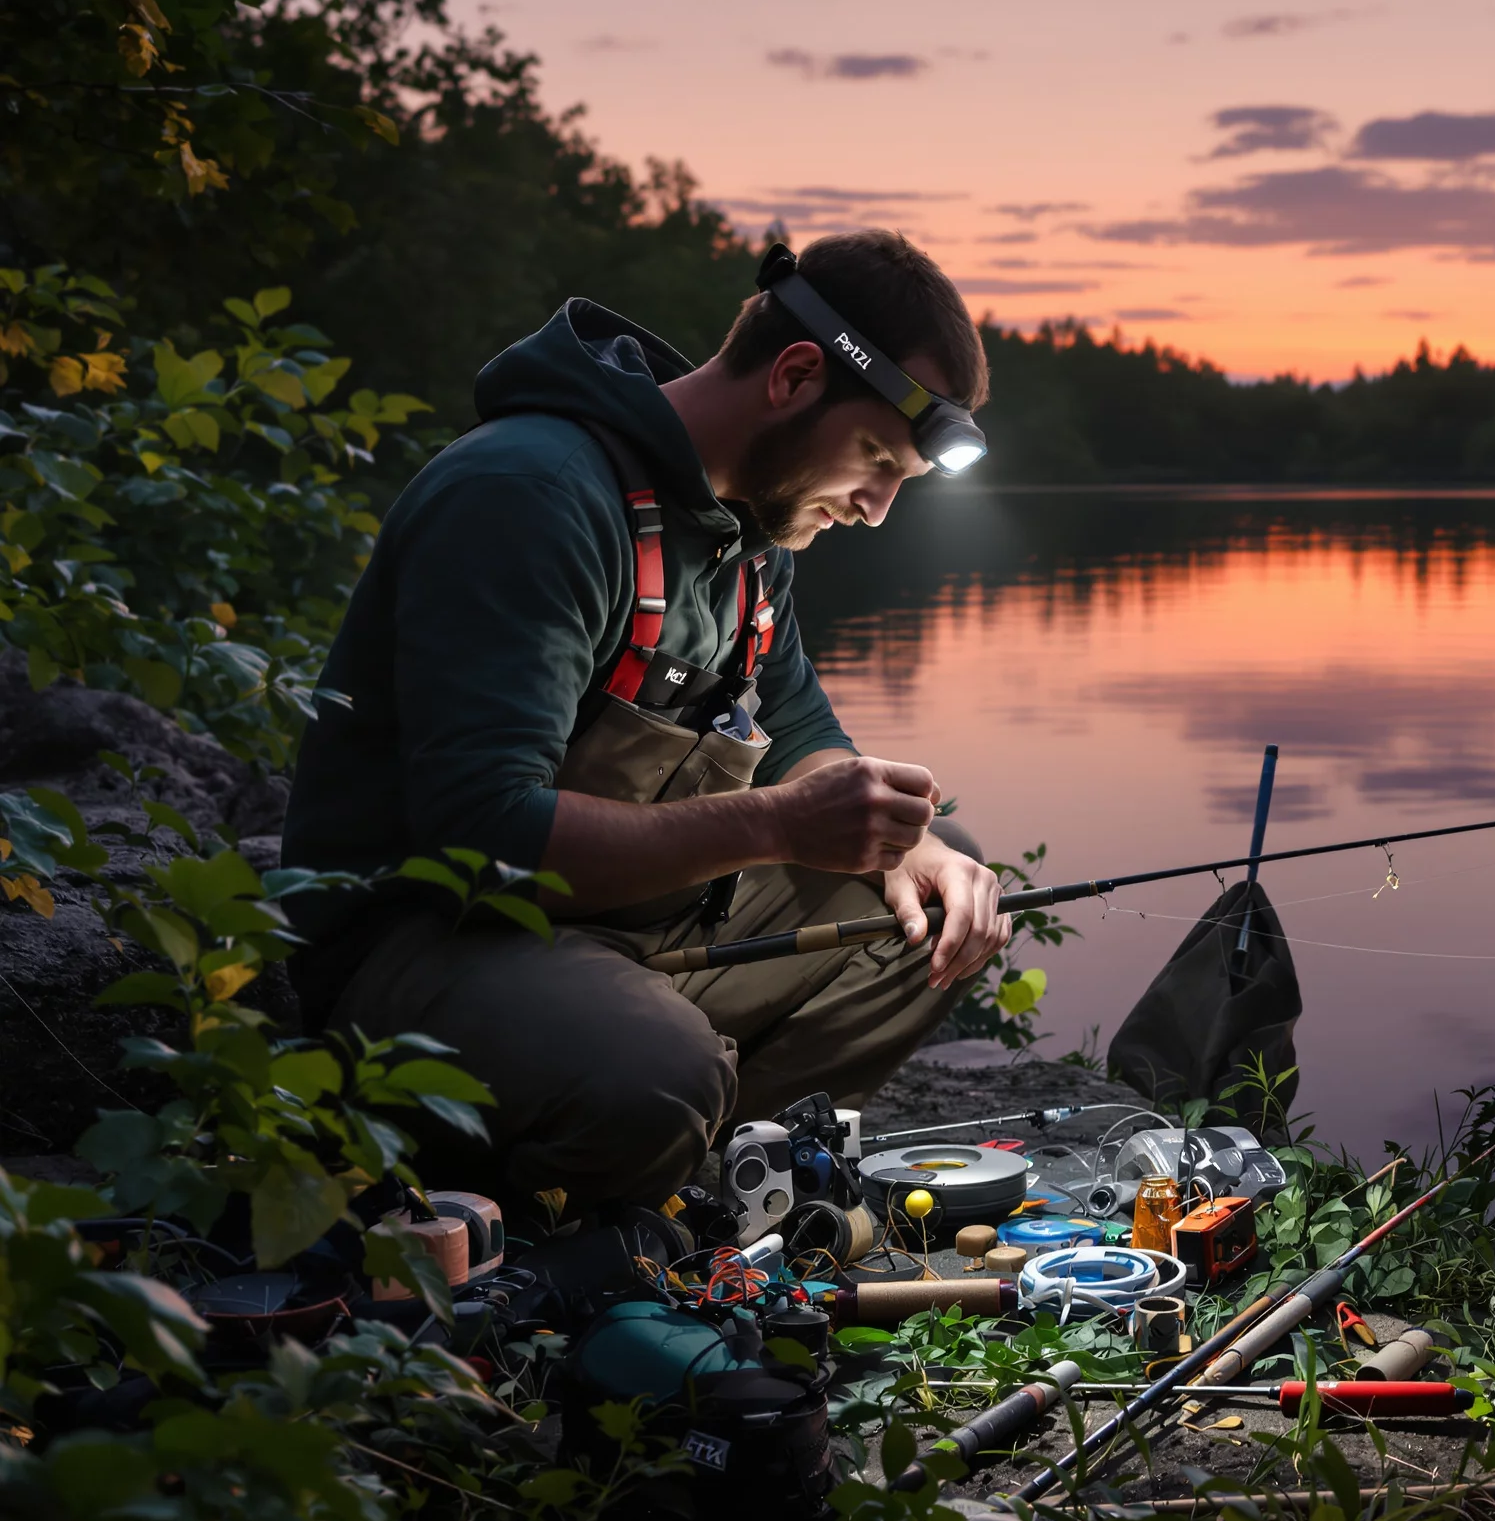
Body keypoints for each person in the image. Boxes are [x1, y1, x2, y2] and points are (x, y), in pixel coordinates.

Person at [281, 230, 1004, 1221]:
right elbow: (482, 833)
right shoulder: (531, 496)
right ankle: (577, 1165)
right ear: (795, 376)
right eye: (876, 457)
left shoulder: (748, 531)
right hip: (423, 944)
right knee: (653, 1069)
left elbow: (799, 728)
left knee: (934, 881)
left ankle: (695, 1162)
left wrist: (894, 835)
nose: (876, 509)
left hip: (612, 931)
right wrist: (778, 824)